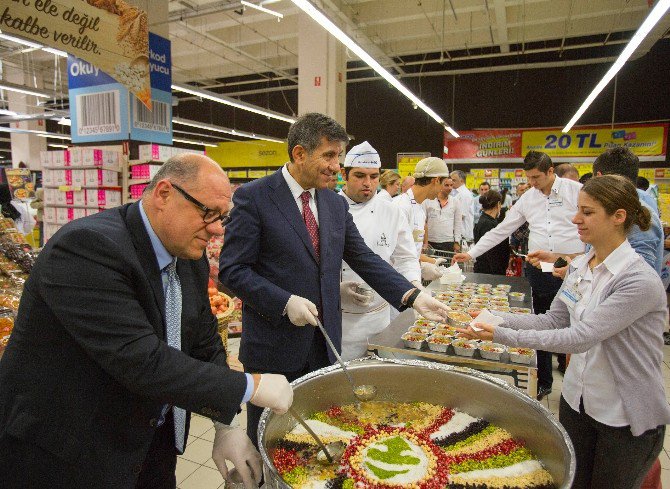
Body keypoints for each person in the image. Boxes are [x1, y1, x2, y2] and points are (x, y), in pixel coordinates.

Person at [0, 154, 293, 489]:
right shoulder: (87, 248)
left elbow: (203, 338)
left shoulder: (187, 256)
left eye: (221, 218)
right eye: (207, 213)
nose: (215, 229)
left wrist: (224, 424)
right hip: (67, 453)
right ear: (164, 194)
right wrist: (249, 387)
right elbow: (142, 359)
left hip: (149, 443)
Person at [218, 113, 450, 447]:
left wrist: (413, 295)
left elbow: (364, 258)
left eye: (338, 157)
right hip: (274, 347)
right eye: (329, 156)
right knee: (268, 437)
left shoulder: (332, 202)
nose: (336, 166)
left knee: (315, 435)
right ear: (299, 154)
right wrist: (283, 302)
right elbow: (232, 270)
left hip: (324, 344)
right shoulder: (255, 197)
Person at [457, 175, 670, 489]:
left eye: (587, 212)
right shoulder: (583, 265)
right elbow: (551, 321)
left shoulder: (637, 280)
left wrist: (501, 336)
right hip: (578, 403)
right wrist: (494, 318)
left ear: (618, 217)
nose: (575, 219)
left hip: (622, 416)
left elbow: (580, 337)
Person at [453, 151, 584, 400]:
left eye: (537, 177)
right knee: (543, 323)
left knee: (577, 323)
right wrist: (471, 253)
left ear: (550, 171)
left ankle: (575, 378)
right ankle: (544, 380)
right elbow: (503, 229)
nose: (533, 183)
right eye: (529, 178)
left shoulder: (575, 191)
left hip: (573, 267)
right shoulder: (528, 198)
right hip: (539, 270)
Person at [338, 142, 420, 360]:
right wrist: (335, 289)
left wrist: (414, 284)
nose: (368, 183)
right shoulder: (330, 209)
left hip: (381, 317)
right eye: (359, 176)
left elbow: (405, 257)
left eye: (374, 176)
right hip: (342, 321)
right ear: (343, 175)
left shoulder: (391, 211)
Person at [393, 157, 453, 282]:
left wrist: (426, 263)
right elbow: (395, 254)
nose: (443, 189)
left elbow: (412, 250)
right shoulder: (400, 207)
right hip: (397, 281)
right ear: (436, 180)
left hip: (410, 278)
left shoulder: (420, 209)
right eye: (443, 184)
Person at [473, 190, 510, 275]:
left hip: (486, 270)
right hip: (490, 272)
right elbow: (492, 254)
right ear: (498, 204)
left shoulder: (485, 221)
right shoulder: (489, 224)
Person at [422, 176, 462, 253]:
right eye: (446, 185)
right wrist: (424, 242)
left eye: (451, 185)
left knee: (447, 265)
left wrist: (457, 241)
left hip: (448, 242)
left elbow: (458, 223)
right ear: (439, 185)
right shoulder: (428, 200)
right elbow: (423, 222)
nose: (450, 188)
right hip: (431, 241)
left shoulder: (455, 201)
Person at [450, 170, 475, 243]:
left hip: (463, 234)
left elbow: (461, 215)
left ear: (461, 181)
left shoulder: (464, 194)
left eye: (454, 180)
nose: (451, 182)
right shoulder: (455, 192)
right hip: (458, 234)